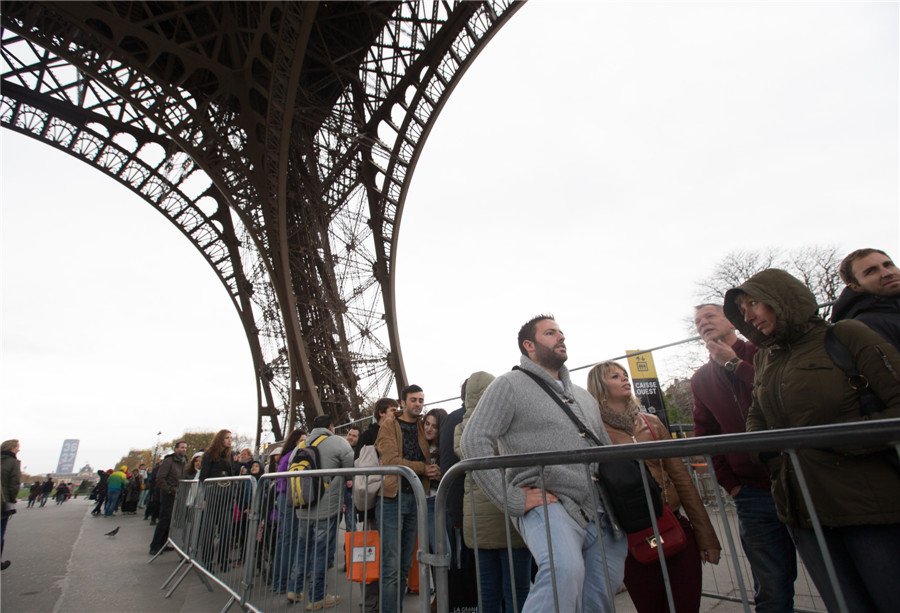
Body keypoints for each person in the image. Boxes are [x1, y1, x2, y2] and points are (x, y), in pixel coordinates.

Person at [723, 268, 900, 613]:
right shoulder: (763, 358)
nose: (747, 316)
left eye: (754, 303)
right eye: (742, 310)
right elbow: (756, 419)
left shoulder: (846, 335)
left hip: (868, 507)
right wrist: (766, 452)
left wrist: (841, 440)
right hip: (803, 512)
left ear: (782, 297)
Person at [460, 315, 627, 613]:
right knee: (563, 573)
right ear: (529, 345)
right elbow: (473, 442)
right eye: (550, 333)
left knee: (600, 595)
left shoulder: (584, 397)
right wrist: (511, 498)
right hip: (550, 503)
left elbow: (605, 451)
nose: (560, 337)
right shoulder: (508, 385)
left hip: (601, 511)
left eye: (561, 332)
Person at [588, 361, 721, 612]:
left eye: (625, 375)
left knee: (686, 605)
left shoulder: (651, 422)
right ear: (600, 386)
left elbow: (682, 478)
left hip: (673, 522)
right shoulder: (594, 432)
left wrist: (706, 534)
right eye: (615, 377)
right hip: (631, 536)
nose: (625, 379)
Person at [690, 302, 797, 612]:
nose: (703, 323)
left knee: (830, 571)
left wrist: (735, 363)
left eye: (710, 316)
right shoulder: (700, 380)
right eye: (698, 321)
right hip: (753, 494)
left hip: (801, 479)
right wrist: (731, 483)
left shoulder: (765, 352)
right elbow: (707, 435)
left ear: (733, 320)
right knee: (771, 585)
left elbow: (784, 396)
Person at [455, 372, 532, 613]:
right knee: (517, 591)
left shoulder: (461, 428)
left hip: (477, 519)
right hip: (508, 513)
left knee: (487, 589)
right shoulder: (504, 423)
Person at [376, 384, 441, 613]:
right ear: (402, 403)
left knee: (404, 565)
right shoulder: (388, 426)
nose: (418, 404)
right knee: (391, 566)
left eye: (421, 400)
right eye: (413, 400)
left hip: (415, 499)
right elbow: (392, 460)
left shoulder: (424, 427)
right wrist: (423, 469)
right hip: (392, 499)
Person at [286, 414, 354, 610]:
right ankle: (317, 596)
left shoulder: (300, 445)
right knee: (321, 551)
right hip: (327, 506)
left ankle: (295, 589)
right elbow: (350, 470)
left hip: (304, 505)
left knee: (302, 548)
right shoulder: (338, 443)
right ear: (331, 427)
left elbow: (291, 468)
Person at [831, 248, 900, 350]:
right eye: (871, 271)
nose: (887, 273)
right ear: (855, 286)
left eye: (888, 265)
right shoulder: (866, 327)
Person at [270, 428, 307, 595]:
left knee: (284, 540)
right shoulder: (294, 455)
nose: (304, 444)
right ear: (294, 441)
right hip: (290, 498)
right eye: (302, 441)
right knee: (290, 541)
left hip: (283, 498)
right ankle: (284, 583)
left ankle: (277, 581)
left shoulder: (286, 456)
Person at [199, 430, 236, 571]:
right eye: (227, 438)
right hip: (212, 497)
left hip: (226, 497)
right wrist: (205, 498)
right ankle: (207, 561)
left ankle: (224, 560)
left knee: (226, 531)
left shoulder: (230, 456)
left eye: (230, 438)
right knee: (208, 532)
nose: (229, 440)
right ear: (220, 439)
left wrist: (232, 495)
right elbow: (203, 476)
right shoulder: (208, 455)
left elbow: (232, 476)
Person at [149, 440, 187, 555]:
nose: (184, 449)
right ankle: (155, 545)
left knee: (170, 520)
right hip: (168, 494)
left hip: (178, 493)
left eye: (185, 448)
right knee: (165, 519)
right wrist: (169, 490)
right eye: (181, 447)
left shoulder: (184, 462)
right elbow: (160, 478)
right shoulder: (169, 461)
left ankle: (163, 543)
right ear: (176, 449)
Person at [1, 439, 22, 571]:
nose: (18, 449)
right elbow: (14, 484)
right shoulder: (13, 463)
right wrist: (12, 500)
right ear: (11, 449)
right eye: (17, 447)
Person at [343, 427, 360, 535]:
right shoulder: (342, 450)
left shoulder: (359, 452)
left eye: (354, 436)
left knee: (350, 522)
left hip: (352, 492)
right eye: (349, 434)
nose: (350, 437)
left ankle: (351, 548)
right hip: (340, 491)